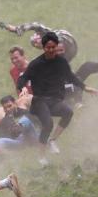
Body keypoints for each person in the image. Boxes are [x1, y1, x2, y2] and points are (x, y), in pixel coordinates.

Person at [16, 32, 97, 165]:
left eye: (54, 47)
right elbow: (23, 77)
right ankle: (41, 157)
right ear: (44, 48)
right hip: (40, 100)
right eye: (48, 48)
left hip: (55, 100)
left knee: (68, 112)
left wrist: (85, 87)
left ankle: (52, 140)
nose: (51, 50)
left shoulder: (61, 62)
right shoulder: (37, 63)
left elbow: (71, 77)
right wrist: (22, 88)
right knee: (48, 123)